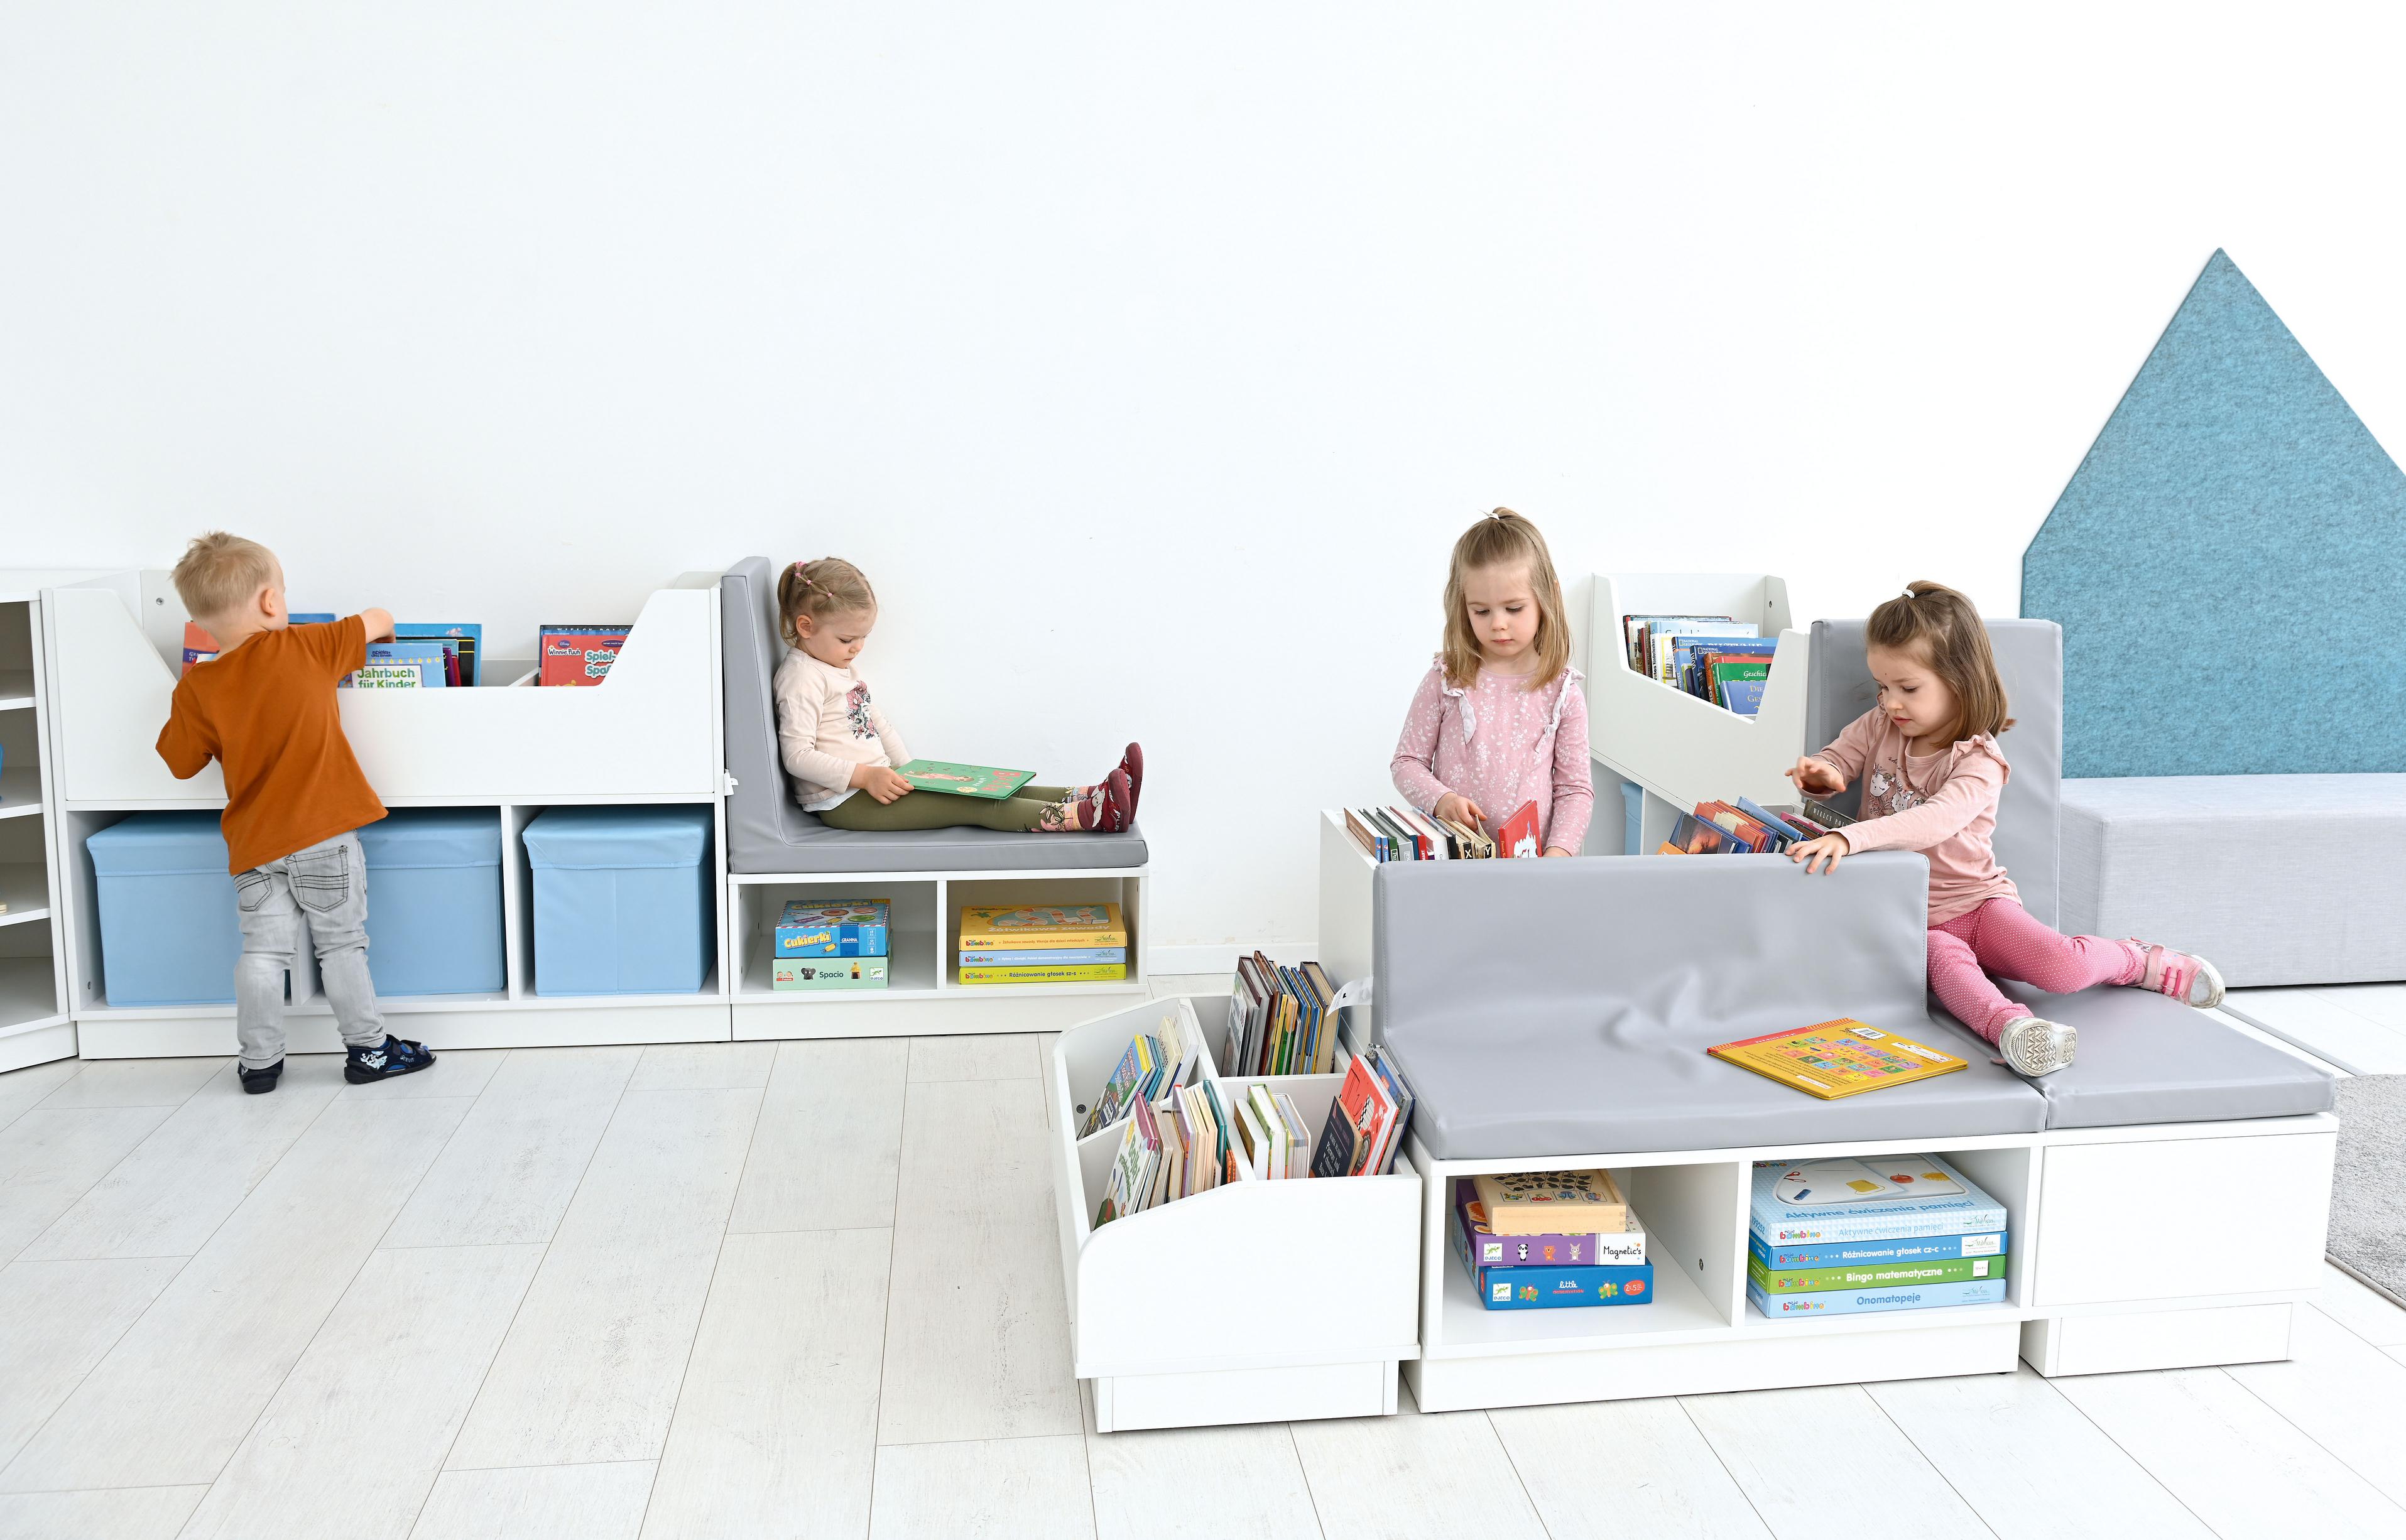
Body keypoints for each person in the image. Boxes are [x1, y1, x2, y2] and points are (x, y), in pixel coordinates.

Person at [1786, 580, 2222, 1077]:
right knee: (1949, 969)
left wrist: (1852, 837)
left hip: (1978, 903)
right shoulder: (1878, 726)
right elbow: (1840, 758)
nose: (1891, 703)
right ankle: (2017, 1031)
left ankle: (2135, 960)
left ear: (1960, 681)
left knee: (2062, 968)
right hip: (1909, 917)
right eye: (1883, 687)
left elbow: (1937, 819)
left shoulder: (1980, 761)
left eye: (1908, 689)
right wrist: (1824, 775)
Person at [154, 533, 437, 1092]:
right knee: (341, 946)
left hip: (255, 848)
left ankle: (258, 1063)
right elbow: (377, 617)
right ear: (271, 602)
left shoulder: (199, 686)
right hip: (324, 836)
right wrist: (389, 629)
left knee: (262, 953)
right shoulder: (311, 646)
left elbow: (181, 764)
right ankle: (371, 1051)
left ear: (201, 622)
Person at [773, 557, 1139, 833]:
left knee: (989, 784)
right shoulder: (801, 678)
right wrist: (866, 776)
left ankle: (1091, 795)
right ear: (806, 627)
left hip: (877, 784)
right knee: (977, 805)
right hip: (845, 803)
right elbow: (797, 756)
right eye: (847, 639)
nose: (858, 648)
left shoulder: (834, 664)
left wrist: (909, 770)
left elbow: (874, 721)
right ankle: (1088, 818)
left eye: (863, 637)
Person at [1390, 509, 1592, 856]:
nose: (1498, 624)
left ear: (1548, 599)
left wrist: (1559, 854)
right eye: (1481, 611)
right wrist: (1443, 800)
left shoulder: (1563, 694)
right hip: (1450, 858)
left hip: (1531, 868)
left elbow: (1574, 790)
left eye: (1514, 609)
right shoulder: (1446, 679)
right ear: (1463, 606)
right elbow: (1406, 762)